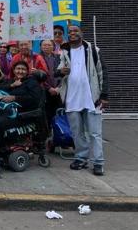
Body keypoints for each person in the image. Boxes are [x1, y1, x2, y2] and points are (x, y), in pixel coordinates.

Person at [58, 24, 109, 176]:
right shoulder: (64, 51)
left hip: (92, 98)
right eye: (70, 32)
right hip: (72, 98)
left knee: (94, 133)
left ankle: (98, 162)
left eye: (75, 31)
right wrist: (60, 71)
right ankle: (81, 158)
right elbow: (58, 71)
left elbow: (102, 73)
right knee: (77, 132)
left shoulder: (93, 50)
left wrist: (104, 95)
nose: (72, 33)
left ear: (82, 33)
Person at [0, 61, 45, 161]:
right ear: (14, 70)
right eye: (18, 69)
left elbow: (34, 100)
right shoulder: (11, 81)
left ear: (27, 71)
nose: (20, 71)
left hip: (21, 114)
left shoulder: (32, 83)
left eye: (23, 69)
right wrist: (11, 86)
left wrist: (14, 98)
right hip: (2, 110)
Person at [40, 39, 62, 125]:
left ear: (53, 47)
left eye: (49, 45)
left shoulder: (59, 57)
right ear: (41, 47)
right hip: (44, 91)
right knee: (46, 113)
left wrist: (58, 87)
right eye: (44, 45)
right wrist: (48, 88)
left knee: (59, 112)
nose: (46, 47)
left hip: (58, 90)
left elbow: (63, 74)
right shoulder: (38, 58)